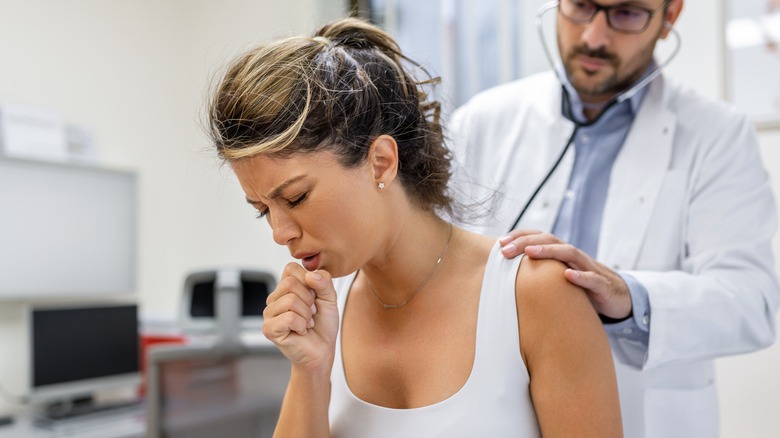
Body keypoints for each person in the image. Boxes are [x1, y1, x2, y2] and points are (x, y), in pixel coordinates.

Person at [207, 17, 622, 438]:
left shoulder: (536, 295)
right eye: (263, 209)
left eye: (295, 198)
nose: (280, 232)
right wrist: (310, 370)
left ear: (381, 162)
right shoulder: (323, 314)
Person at [448, 0, 780, 437]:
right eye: (582, 6)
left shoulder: (718, 136)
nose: (594, 37)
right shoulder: (481, 121)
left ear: (670, 17)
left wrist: (631, 297)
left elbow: (753, 302)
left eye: (626, 13)